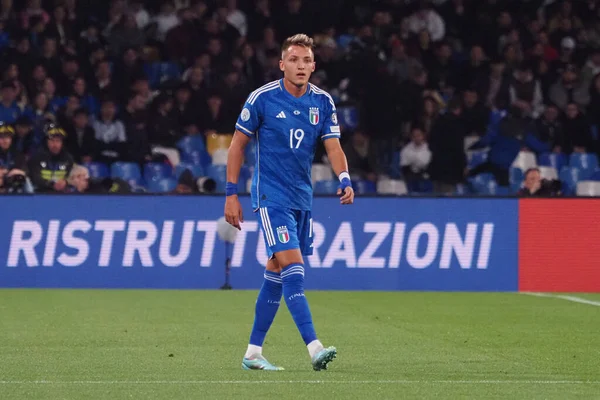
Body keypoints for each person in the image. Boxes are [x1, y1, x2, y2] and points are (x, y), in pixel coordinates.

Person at [224, 33, 354, 372]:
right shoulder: (262, 98)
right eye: (294, 60)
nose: (300, 66)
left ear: (314, 65)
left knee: (276, 273)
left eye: (306, 60)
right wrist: (230, 194)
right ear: (282, 64)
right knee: (295, 270)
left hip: (302, 198)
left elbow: (333, 147)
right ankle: (314, 347)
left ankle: (253, 353)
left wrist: (344, 178)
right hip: (271, 196)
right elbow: (237, 146)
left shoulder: (323, 102)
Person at [28, 122, 74, 192]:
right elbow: (35, 178)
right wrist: (51, 184)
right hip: (41, 194)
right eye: (52, 141)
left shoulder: (68, 158)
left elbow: (71, 176)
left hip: (62, 195)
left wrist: (66, 182)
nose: (55, 145)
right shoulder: (36, 158)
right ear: (46, 142)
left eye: (58, 141)